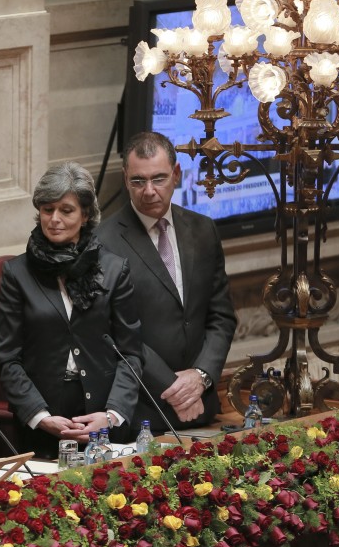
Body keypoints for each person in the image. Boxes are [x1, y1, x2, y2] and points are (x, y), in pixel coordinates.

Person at [0, 162, 142, 458]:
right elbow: (8, 359)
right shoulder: (17, 274)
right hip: (44, 420)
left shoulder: (114, 270)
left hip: (103, 416)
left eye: (66, 210)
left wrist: (111, 415)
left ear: (85, 214)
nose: (55, 219)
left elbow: (131, 354)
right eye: (47, 209)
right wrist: (40, 416)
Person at [96, 131, 237, 429]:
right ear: (125, 180)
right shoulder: (102, 243)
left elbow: (221, 316)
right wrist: (174, 388)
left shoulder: (203, 229)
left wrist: (200, 376)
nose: (149, 191)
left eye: (158, 179)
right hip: (141, 411)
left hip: (202, 404)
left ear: (176, 175)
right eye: (138, 181)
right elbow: (115, 333)